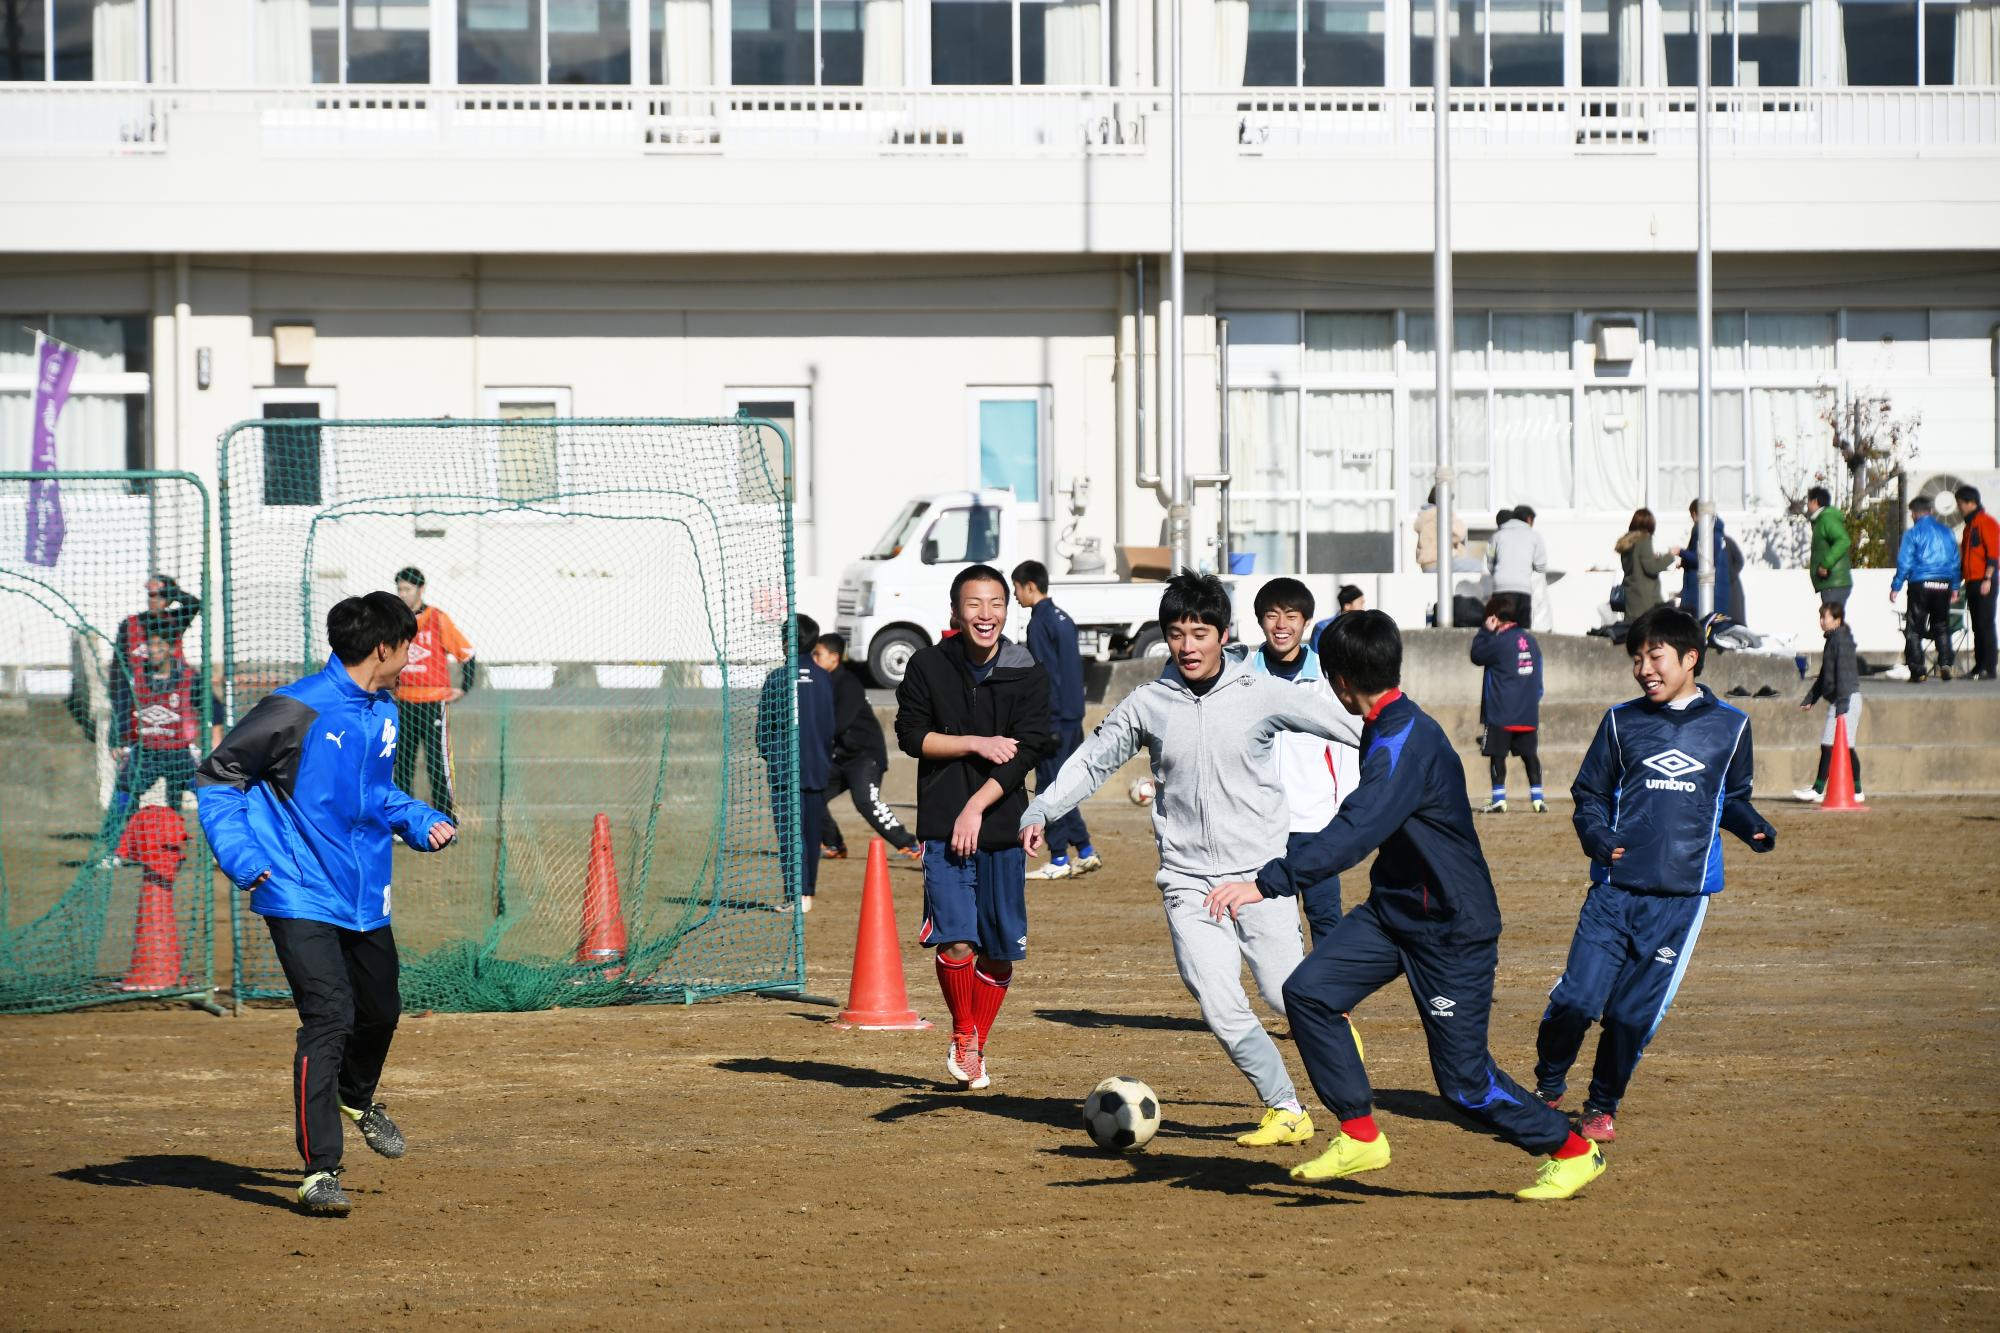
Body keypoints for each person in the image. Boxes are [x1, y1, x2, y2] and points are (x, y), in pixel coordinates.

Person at [1204, 611, 1606, 1201]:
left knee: (1464, 1085)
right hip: (1395, 912)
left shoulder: (1400, 741)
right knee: (1309, 993)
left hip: (1451, 927)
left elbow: (1356, 829)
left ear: (1341, 682)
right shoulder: (1384, 723)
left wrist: (1270, 882)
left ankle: (1571, 1150)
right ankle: (1361, 1135)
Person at [1020, 572, 1361, 1148]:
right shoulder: (1149, 702)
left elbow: (1353, 725)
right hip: (1187, 880)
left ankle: (1341, 1054)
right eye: (1176, 633)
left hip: (1262, 877)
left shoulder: (1261, 692)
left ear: (1223, 635)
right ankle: (1285, 1107)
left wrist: (1412, 764)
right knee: (1219, 1002)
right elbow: (1092, 759)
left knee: (1288, 998)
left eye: (1199, 632)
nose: (1187, 645)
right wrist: (1042, 809)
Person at [194, 592, 457, 1216]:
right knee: (329, 1018)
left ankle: (355, 1097)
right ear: (383, 649)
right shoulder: (295, 708)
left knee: (382, 1010)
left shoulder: (384, 710)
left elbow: (377, 796)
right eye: (410, 644)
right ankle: (320, 1171)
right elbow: (219, 777)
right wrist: (245, 858)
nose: (415, 654)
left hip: (365, 895)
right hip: (297, 889)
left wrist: (420, 819)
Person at [1534, 605, 1775, 1145]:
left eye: (1655, 656)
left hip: (1681, 899)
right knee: (1576, 999)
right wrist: (1595, 836)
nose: (1645, 668)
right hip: (1614, 891)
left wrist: (1752, 825)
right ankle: (1548, 1083)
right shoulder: (1621, 721)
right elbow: (1589, 793)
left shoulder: (1732, 727)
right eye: (1637, 658)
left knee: (1630, 1014)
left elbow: (1731, 799)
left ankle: (1601, 1104)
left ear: (1690, 658)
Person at [895, 565, 1052, 1090]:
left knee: (1000, 950)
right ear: (955, 611)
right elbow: (912, 737)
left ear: (1008, 610)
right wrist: (975, 743)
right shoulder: (926, 666)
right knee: (958, 942)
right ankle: (965, 1035)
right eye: (974, 604)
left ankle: (976, 1041)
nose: (985, 615)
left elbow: (1028, 750)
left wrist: (982, 807)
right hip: (943, 826)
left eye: (995, 604)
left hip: (1001, 825)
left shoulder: (1027, 670)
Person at [1246, 577, 1359, 947]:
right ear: (1260, 621)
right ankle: (1291, 997)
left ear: (1306, 622)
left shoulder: (1329, 677)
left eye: (1291, 616)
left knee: (1325, 915)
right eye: (1272, 616)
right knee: (1274, 922)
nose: (1281, 626)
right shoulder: (1242, 677)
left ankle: (1333, 1001)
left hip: (1317, 824)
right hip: (1261, 825)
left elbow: (1350, 745)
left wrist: (1342, 810)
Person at [1012, 561, 1100, 882]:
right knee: (1064, 785)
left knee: (1050, 787)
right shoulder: (1064, 618)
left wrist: (1039, 719)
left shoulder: (1039, 624)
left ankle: (1060, 856)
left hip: (1053, 718)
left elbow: (1043, 676)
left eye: (1016, 588)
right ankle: (1086, 850)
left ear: (1030, 586)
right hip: (1072, 715)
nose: (1015, 595)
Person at [104, 617, 216, 849]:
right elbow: (121, 707)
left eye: (160, 646)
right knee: (123, 793)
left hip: (179, 754)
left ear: (171, 649)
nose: (154, 651)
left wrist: (213, 739)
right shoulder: (136, 678)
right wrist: (116, 739)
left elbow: (214, 710)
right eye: (151, 645)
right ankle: (113, 848)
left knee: (211, 794)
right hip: (146, 753)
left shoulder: (188, 678)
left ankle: (223, 845)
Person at [811, 632, 920, 862]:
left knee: (866, 802)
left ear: (834, 657)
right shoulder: (822, 683)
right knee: (812, 795)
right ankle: (833, 844)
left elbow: (838, 724)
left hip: (865, 757)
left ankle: (909, 844)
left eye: (817, 654)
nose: (813, 659)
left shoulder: (848, 684)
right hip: (840, 758)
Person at [759, 615, 834, 912]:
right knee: (811, 832)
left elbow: (764, 727)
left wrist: (770, 754)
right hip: (817, 767)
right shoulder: (823, 676)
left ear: (786, 642)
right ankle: (806, 894)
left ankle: (794, 893)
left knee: (790, 832)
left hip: (784, 770)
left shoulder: (777, 678)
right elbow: (830, 726)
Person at [390, 568, 475, 821]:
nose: (403, 594)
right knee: (402, 765)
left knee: (437, 765)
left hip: (433, 703)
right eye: (400, 589)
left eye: (407, 589)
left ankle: (444, 820)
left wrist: (464, 687)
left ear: (421, 589)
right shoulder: (394, 621)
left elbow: (467, 654)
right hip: (403, 702)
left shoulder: (436, 618)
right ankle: (404, 822)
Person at [1470, 593, 1544, 815]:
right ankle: (1538, 798)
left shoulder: (1498, 641)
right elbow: (1539, 675)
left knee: (1497, 755)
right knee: (1529, 755)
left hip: (1501, 712)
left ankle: (1499, 799)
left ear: (1494, 617)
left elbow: (1476, 655)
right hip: (1528, 712)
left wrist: (1485, 631)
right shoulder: (1531, 640)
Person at [110, 573, 202, 743]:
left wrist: (168, 589)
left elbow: (194, 604)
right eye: (151, 596)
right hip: (142, 693)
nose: (155, 600)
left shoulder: (175, 621)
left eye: (161, 597)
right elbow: (118, 670)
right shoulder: (130, 625)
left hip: (173, 691)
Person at [1794, 600, 1864, 804]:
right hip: (1842, 698)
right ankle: (1845, 789)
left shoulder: (1841, 640)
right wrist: (1811, 699)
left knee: (1833, 745)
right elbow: (1826, 674)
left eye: (1825, 618)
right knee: (1836, 745)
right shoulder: (1833, 640)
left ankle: (1823, 789)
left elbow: (1843, 673)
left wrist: (1842, 705)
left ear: (1837, 620)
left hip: (1846, 699)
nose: (1821, 621)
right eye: (1821, 617)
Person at [1890, 496, 1962, 683]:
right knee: (1941, 624)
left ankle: (1918, 670)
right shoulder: (1947, 532)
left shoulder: (1912, 534)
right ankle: (1945, 663)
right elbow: (1955, 561)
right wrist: (1954, 586)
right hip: (1943, 583)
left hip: (1920, 583)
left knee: (1914, 628)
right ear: (1930, 511)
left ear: (1914, 514)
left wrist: (1896, 586)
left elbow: (1904, 562)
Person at [1957, 485, 1999, 680]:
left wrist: (1988, 578)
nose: (1959, 508)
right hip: (1972, 581)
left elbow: (1993, 553)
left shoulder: (1986, 522)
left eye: (1961, 504)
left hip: (1984, 580)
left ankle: (1989, 667)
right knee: (1976, 625)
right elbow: (1965, 557)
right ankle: (1979, 665)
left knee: (1985, 623)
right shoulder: (1969, 526)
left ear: (1971, 503)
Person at [1485, 505, 1547, 628]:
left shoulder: (1496, 536)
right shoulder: (1534, 536)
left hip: (1500, 589)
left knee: (1498, 627)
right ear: (1529, 519)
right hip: (1522, 589)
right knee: (1522, 630)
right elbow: (1541, 566)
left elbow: (1490, 561)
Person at [1614, 508, 1678, 623]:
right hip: (1646, 599)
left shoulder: (1627, 542)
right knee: (1649, 632)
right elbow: (1652, 568)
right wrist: (1670, 555)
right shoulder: (1643, 539)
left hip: (1631, 595)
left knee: (1633, 631)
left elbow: (1635, 565)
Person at [1678, 502, 1738, 622]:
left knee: (1704, 628)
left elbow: (1705, 560)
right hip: (1709, 592)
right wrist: (1685, 563)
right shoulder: (1714, 532)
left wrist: (1681, 552)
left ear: (1695, 514)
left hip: (1706, 594)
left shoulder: (1708, 533)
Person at [1805, 486, 1853, 611]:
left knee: (1832, 624)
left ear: (1814, 501)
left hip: (1834, 583)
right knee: (1832, 624)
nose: (1807, 505)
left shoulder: (1826, 520)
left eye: (1808, 501)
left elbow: (1843, 541)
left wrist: (1825, 564)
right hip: (1831, 583)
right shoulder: (1821, 520)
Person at [1412, 485, 1468, 573]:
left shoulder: (1425, 515)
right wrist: (1451, 514)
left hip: (1427, 565)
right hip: (1440, 562)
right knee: (1479, 567)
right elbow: (1460, 533)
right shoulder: (1440, 514)